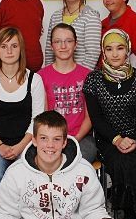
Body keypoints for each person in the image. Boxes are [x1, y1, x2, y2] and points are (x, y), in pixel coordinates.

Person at [83, 29, 136, 219]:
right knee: (122, 162)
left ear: (127, 50)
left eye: (120, 48)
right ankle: (128, 215)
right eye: (109, 49)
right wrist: (117, 139)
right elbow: (96, 118)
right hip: (108, 138)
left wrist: (134, 140)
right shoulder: (93, 80)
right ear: (103, 52)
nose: (114, 54)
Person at [0, 27, 46, 215]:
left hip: (26, 143)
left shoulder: (34, 80)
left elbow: (37, 120)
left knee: (33, 175)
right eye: (4, 46)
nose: (9, 51)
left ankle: (29, 216)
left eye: (14, 46)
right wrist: (0, 146)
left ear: (21, 49)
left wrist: (20, 147)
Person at [38, 23, 97, 163]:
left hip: (81, 137)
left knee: (76, 158)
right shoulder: (41, 76)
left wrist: (75, 139)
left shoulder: (88, 75)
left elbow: (90, 116)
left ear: (76, 44)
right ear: (51, 46)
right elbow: (42, 116)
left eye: (68, 41)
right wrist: (55, 141)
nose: (63, 46)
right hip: (51, 138)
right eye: (58, 41)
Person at [45, 0, 101, 70]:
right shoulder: (55, 16)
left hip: (81, 76)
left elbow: (92, 54)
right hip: (56, 75)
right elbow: (49, 52)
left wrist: (77, 75)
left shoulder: (91, 16)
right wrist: (50, 73)